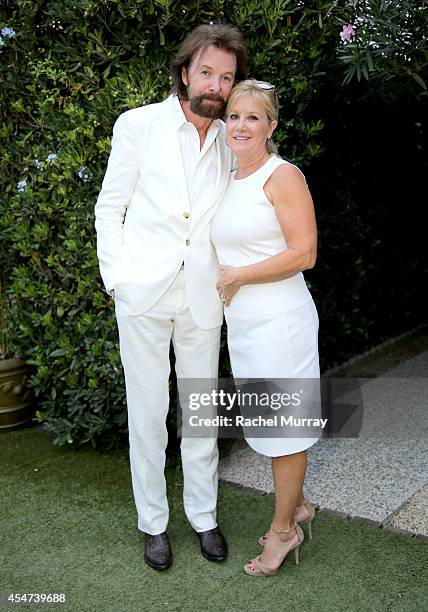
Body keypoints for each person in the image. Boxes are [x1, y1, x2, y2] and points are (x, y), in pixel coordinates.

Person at [94, 24, 247, 571]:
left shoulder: (234, 139)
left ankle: (204, 517)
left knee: (201, 414)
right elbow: (109, 208)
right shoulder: (137, 125)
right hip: (144, 294)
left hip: (204, 299)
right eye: (207, 72)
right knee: (148, 412)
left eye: (227, 77)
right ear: (185, 72)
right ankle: (153, 524)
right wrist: (119, 279)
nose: (216, 85)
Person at [212, 79, 320, 576]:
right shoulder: (228, 179)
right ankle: (296, 507)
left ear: (271, 126)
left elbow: (305, 253)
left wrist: (239, 275)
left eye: (253, 117)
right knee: (267, 425)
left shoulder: (283, 175)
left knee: (284, 431)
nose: (241, 126)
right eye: (234, 116)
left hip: (281, 322)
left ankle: (284, 532)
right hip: (248, 324)